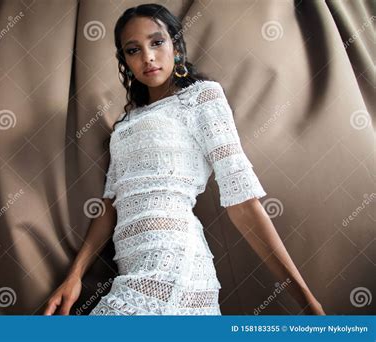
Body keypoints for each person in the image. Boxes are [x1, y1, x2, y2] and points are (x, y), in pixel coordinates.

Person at [44, 3, 325, 316]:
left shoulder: (202, 97)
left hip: (176, 264)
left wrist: (307, 300)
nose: (147, 57)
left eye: (157, 42)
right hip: (131, 269)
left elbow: (242, 200)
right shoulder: (124, 126)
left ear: (176, 46)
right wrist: (74, 276)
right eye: (133, 49)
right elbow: (111, 204)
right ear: (125, 60)